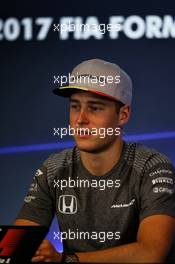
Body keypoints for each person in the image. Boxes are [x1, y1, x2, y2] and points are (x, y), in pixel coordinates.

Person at [15, 58, 175, 263]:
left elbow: (150, 254)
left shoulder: (152, 167)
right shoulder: (53, 168)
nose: (80, 119)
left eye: (95, 108)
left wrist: (66, 260)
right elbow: (16, 247)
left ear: (123, 115)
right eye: (75, 106)